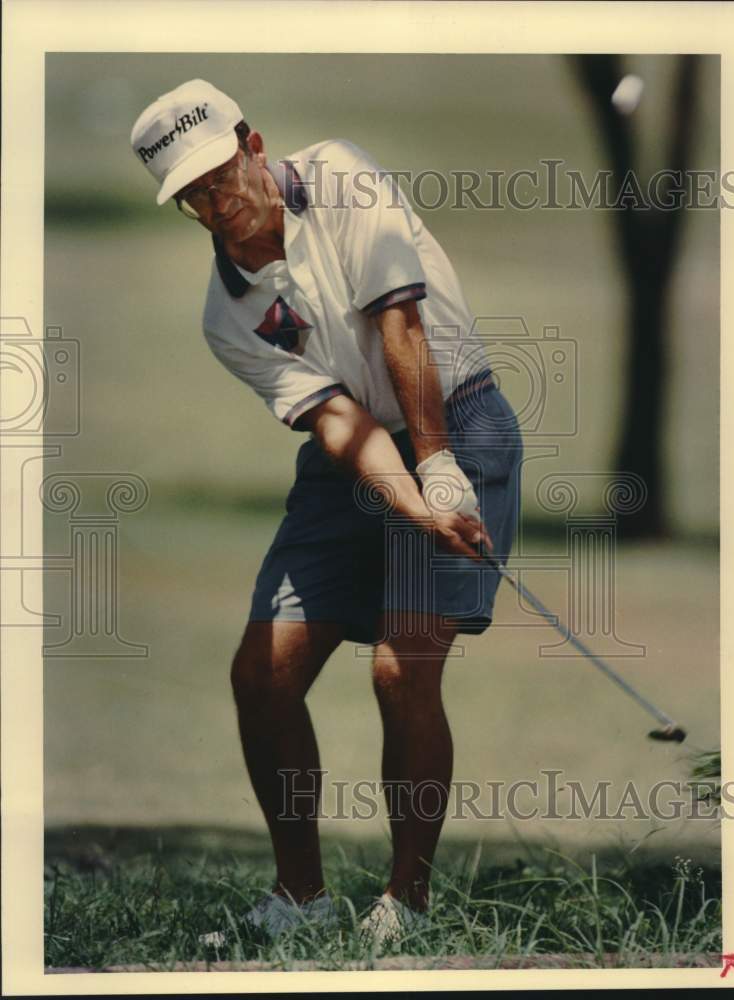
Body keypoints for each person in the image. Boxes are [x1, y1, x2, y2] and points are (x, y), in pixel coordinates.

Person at [130, 79, 522, 950]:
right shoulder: (226, 315)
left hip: (457, 416)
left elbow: (401, 324)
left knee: (399, 669)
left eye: (220, 174)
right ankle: (299, 898)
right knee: (260, 674)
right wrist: (417, 507)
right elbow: (340, 421)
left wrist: (439, 472)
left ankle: (405, 910)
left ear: (254, 142)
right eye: (190, 194)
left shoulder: (341, 175)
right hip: (353, 456)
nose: (214, 202)